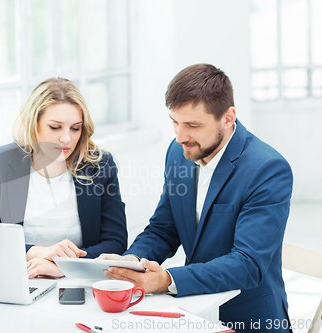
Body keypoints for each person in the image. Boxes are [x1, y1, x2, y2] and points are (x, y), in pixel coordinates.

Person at [100, 64, 293, 332]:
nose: (180, 136)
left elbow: (247, 264)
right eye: (175, 122)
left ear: (228, 118)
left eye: (192, 125)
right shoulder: (180, 152)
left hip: (249, 320)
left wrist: (167, 279)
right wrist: (131, 262)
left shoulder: (268, 169)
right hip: (193, 312)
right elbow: (163, 230)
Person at [0, 77, 127, 279]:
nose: (67, 139)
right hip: (18, 279)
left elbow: (116, 241)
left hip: (77, 281)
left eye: (75, 128)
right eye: (55, 127)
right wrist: (36, 252)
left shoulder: (100, 166)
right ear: (33, 124)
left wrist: (66, 267)